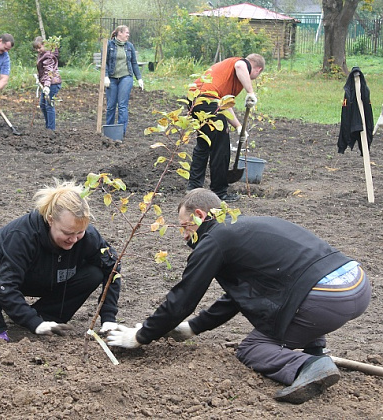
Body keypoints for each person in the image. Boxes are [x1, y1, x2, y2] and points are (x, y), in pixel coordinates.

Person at [107, 188, 371, 404]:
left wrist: (141, 336)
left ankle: (307, 366)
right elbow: (239, 295)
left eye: (185, 227)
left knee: (253, 347)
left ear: (200, 215)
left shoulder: (215, 239)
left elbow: (185, 297)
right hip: (355, 284)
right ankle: (314, 350)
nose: (184, 235)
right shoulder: (244, 228)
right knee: (292, 294)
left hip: (326, 299)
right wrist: (193, 328)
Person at [0, 179, 121, 341]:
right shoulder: (23, 235)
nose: (73, 239)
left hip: (52, 278)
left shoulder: (88, 238)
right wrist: (32, 322)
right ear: (50, 220)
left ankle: (46, 318)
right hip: (7, 279)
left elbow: (113, 267)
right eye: (67, 233)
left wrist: (108, 318)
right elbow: (6, 285)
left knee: (94, 273)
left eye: (79, 232)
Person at [187, 54, 265, 202]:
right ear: (258, 69)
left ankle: (194, 187)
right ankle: (219, 191)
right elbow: (241, 66)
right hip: (209, 102)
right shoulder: (241, 64)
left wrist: (238, 126)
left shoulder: (226, 77)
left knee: (204, 144)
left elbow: (222, 105)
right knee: (221, 148)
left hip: (196, 101)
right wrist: (250, 92)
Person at [104, 25, 144, 137]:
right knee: (111, 105)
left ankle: (120, 132)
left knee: (122, 105)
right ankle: (109, 131)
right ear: (119, 33)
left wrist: (139, 78)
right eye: (126, 32)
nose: (128, 35)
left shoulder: (129, 46)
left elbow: (134, 63)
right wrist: (105, 76)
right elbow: (105, 63)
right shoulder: (108, 45)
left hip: (126, 77)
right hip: (111, 78)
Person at [33, 36, 62, 133]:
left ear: (45, 45)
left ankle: (51, 129)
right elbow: (43, 70)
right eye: (36, 48)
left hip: (52, 83)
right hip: (47, 82)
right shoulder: (42, 54)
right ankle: (48, 126)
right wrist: (38, 77)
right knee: (42, 104)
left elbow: (49, 72)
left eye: (39, 47)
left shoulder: (48, 56)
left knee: (49, 105)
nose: (38, 50)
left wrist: (46, 85)